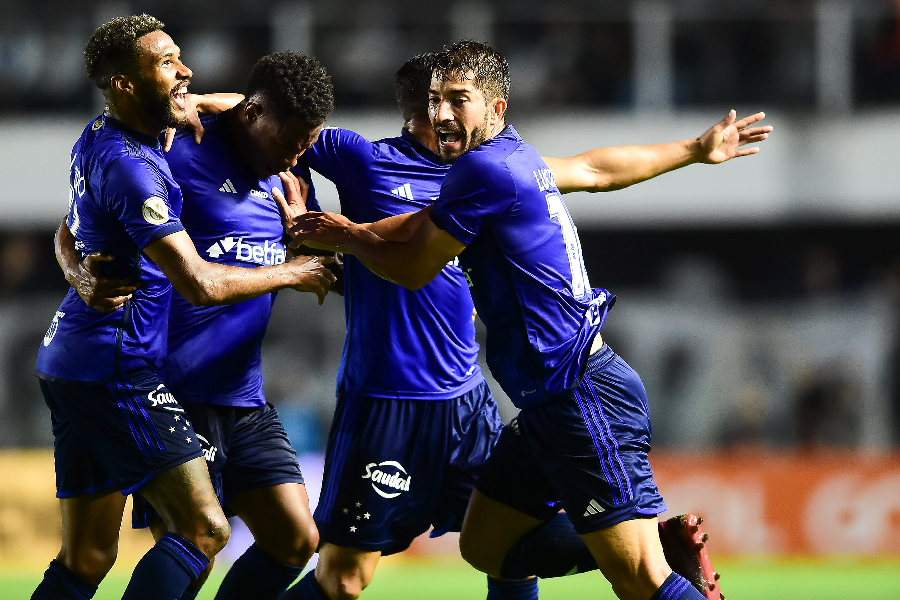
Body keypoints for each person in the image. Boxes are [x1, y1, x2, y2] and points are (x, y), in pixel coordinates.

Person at [278, 50, 767, 600]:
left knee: (638, 580)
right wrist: (692, 149)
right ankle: (657, 542)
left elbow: (414, 265)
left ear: (496, 106)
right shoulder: (512, 159)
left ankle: (658, 559)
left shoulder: (484, 169)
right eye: (435, 99)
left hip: (579, 391)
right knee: (490, 546)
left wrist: (342, 236)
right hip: (540, 402)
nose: (440, 113)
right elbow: (596, 170)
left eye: (457, 101)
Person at [33, 16, 334, 600]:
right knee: (201, 530)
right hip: (134, 369)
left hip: (173, 377)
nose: (186, 71)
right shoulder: (156, 160)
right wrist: (296, 272)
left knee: (91, 556)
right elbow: (192, 280)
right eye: (168, 62)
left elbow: (82, 221)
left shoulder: (126, 136)